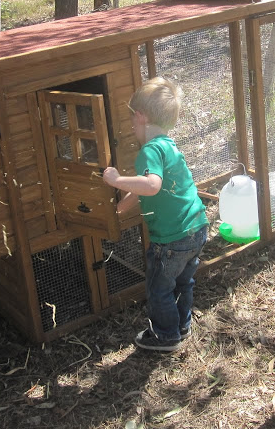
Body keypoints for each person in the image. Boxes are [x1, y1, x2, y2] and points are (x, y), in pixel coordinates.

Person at [102, 76, 208, 352]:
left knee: (159, 288)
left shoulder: (149, 151)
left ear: (140, 117)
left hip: (171, 239)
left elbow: (151, 185)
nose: (131, 125)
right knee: (184, 281)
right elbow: (146, 188)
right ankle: (182, 324)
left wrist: (116, 180)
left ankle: (165, 335)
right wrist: (120, 207)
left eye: (131, 119)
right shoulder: (168, 146)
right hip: (196, 228)